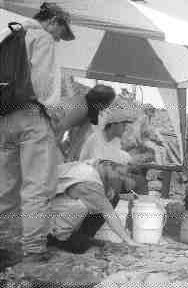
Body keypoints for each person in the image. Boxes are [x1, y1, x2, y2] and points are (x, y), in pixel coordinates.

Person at [0, 2, 75, 265]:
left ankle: (2, 246)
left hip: (6, 117)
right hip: (33, 117)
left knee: (5, 188)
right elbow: (42, 82)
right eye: (60, 32)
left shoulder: (12, 35)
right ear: (53, 21)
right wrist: (53, 113)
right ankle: (33, 251)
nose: (58, 38)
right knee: (36, 187)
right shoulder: (42, 37)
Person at [47, 160, 143, 254]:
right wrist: (128, 241)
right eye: (120, 173)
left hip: (55, 205)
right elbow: (108, 213)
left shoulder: (94, 165)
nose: (122, 178)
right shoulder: (89, 180)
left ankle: (82, 236)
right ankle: (58, 237)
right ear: (108, 165)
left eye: (125, 175)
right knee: (82, 247)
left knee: (111, 196)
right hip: (48, 220)